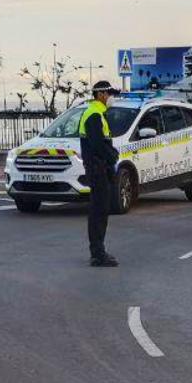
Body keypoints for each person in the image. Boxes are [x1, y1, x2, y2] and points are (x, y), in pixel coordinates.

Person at [80, 81, 121, 267]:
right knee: (99, 212)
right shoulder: (94, 115)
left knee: (100, 211)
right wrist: (112, 156)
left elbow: (100, 143)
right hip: (98, 170)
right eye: (109, 93)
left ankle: (98, 251)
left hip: (99, 169)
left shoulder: (97, 113)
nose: (111, 97)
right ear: (101, 94)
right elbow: (97, 144)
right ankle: (97, 254)